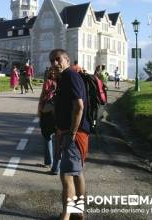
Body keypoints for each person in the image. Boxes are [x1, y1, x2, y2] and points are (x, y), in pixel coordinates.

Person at [49, 49, 90, 220]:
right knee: (77, 173)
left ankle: (66, 216)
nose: (55, 63)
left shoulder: (70, 76)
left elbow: (78, 106)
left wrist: (71, 133)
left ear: (66, 59)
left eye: (58, 59)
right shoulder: (66, 77)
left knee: (66, 175)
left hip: (73, 133)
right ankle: (79, 213)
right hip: (75, 132)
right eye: (52, 61)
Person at [37, 66, 60, 175]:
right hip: (59, 112)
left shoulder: (48, 82)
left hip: (47, 112)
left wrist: (39, 110)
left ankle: (48, 162)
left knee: (47, 137)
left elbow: (43, 96)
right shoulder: (62, 81)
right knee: (59, 140)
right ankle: (56, 166)